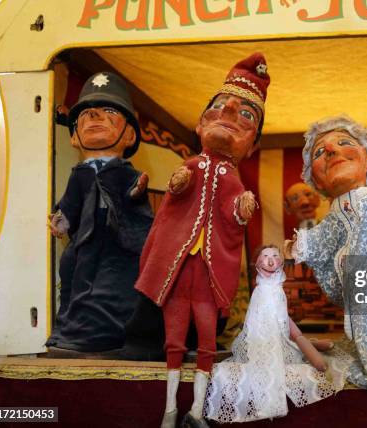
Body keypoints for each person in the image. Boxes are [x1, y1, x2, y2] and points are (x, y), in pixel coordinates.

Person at [134, 53, 268, 428]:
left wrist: (241, 210)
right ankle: (169, 410)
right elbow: (175, 202)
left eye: (246, 115)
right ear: (200, 123)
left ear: (252, 145)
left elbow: (233, 218)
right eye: (220, 105)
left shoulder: (234, 178)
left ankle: (196, 411)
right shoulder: (193, 164)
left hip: (207, 279)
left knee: (206, 340)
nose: (228, 110)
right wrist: (178, 184)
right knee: (173, 341)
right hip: (178, 271)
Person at [285, 115, 367, 391]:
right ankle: (366, 347)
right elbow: (323, 235)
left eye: (344, 143)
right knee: (359, 321)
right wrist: (300, 244)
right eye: (320, 152)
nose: (331, 150)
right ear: (315, 179)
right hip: (349, 276)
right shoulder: (334, 212)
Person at [45, 72, 153, 354]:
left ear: (129, 134)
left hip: (119, 243)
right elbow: (70, 202)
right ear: (74, 137)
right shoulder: (79, 174)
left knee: (116, 284)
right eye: (85, 115)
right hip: (85, 242)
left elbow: (136, 205)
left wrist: (135, 193)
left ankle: (119, 329)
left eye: (109, 112)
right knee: (73, 276)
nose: (94, 116)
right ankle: (75, 328)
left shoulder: (125, 172)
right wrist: (63, 219)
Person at [205, 245, 341, 423]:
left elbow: (283, 319)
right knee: (280, 356)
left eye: (275, 256)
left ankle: (312, 344)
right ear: (258, 263)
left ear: (281, 262)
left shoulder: (278, 289)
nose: (270, 260)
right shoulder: (260, 291)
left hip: (281, 333)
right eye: (266, 256)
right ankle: (312, 345)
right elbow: (257, 323)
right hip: (263, 339)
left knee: (292, 341)